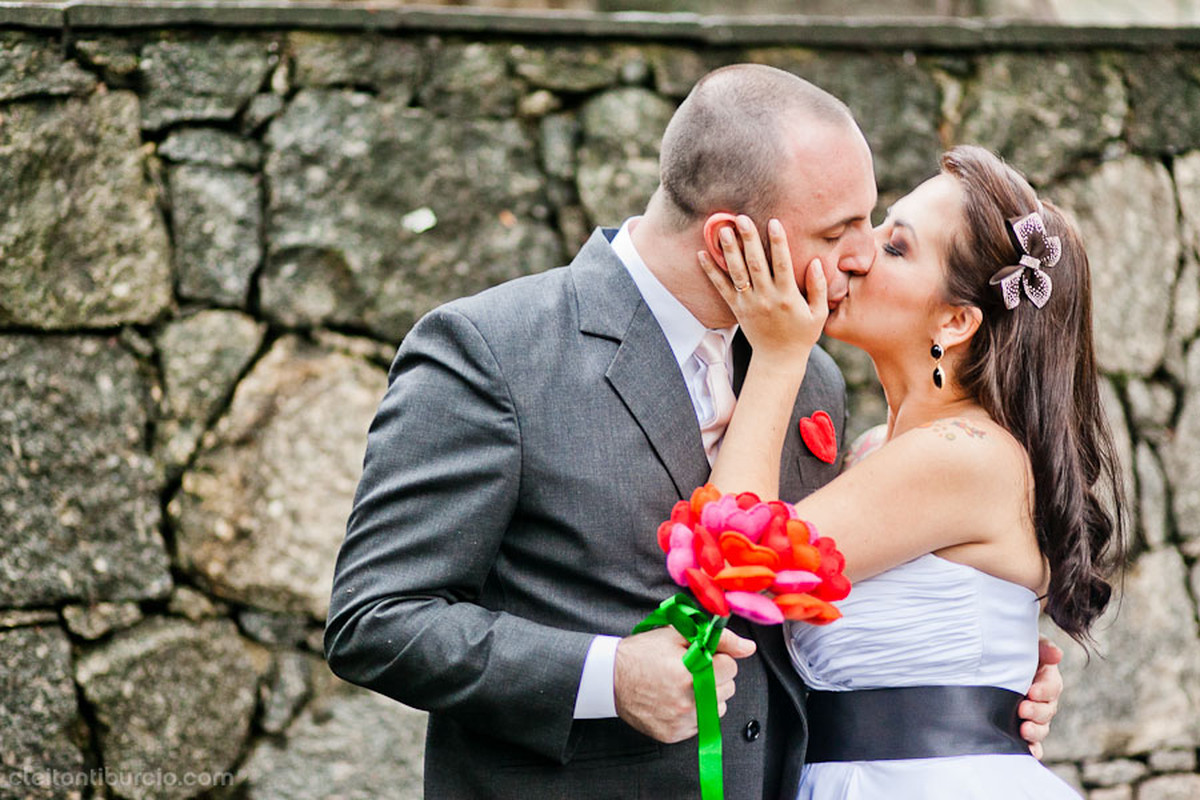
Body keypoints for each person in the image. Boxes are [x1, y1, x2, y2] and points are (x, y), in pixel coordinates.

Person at [323, 64, 1061, 799]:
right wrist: (604, 678)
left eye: (874, 226)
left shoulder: (810, 378)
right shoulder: (494, 350)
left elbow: (804, 596)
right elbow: (377, 620)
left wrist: (978, 693)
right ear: (728, 236)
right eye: (839, 231)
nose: (862, 254)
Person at [699, 143, 1123, 798]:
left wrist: (782, 353)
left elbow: (731, 564)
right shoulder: (877, 447)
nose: (859, 253)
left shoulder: (961, 454)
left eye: (895, 247)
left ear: (956, 321)